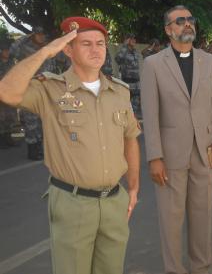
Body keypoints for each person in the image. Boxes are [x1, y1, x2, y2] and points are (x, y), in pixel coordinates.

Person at [0, 17, 141, 274]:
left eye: (100, 43)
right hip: (73, 203)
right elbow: (7, 92)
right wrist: (44, 51)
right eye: (86, 44)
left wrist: (133, 187)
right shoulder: (50, 89)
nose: (96, 50)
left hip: (113, 202)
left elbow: (130, 137)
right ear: (67, 49)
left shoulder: (118, 91)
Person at [141, 5, 212, 274]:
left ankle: (200, 267)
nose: (187, 24)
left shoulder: (209, 61)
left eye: (190, 19)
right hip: (170, 156)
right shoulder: (153, 64)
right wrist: (154, 157)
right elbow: (151, 112)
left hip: (204, 152)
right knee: (171, 219)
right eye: (179, 21)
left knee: (202, 216)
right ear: (168, 29)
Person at [10, 26, 50, 160]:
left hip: (43, 89)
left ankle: (39, 149)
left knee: (40, 121)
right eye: (39, 34)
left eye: (43, 34)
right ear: (33, 35)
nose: (42, 36)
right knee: (31, 121)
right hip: (29, 87)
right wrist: (25, 37)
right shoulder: (24, 47)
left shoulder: (45, 47)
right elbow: (11, 51)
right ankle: (32, 151)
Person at [115, 33, 142, 119]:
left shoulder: (135, 51)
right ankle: (124, 119)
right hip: (127, 82)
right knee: (125, 102)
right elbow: (117, 59)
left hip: (136, 82)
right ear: (127, 40)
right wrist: (124, 46)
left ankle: (132, 118)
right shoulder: (123, 52)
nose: (134, 40)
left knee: (136, 102)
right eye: (132, 39)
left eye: (134, 39)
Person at [0, 41, 17, 148]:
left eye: (8, 50)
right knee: (1, 117)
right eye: (5, 50)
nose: (7, 52)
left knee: (11, 116)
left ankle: (8, 137)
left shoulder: (11, 62)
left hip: (9, 93)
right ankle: (2, 139)